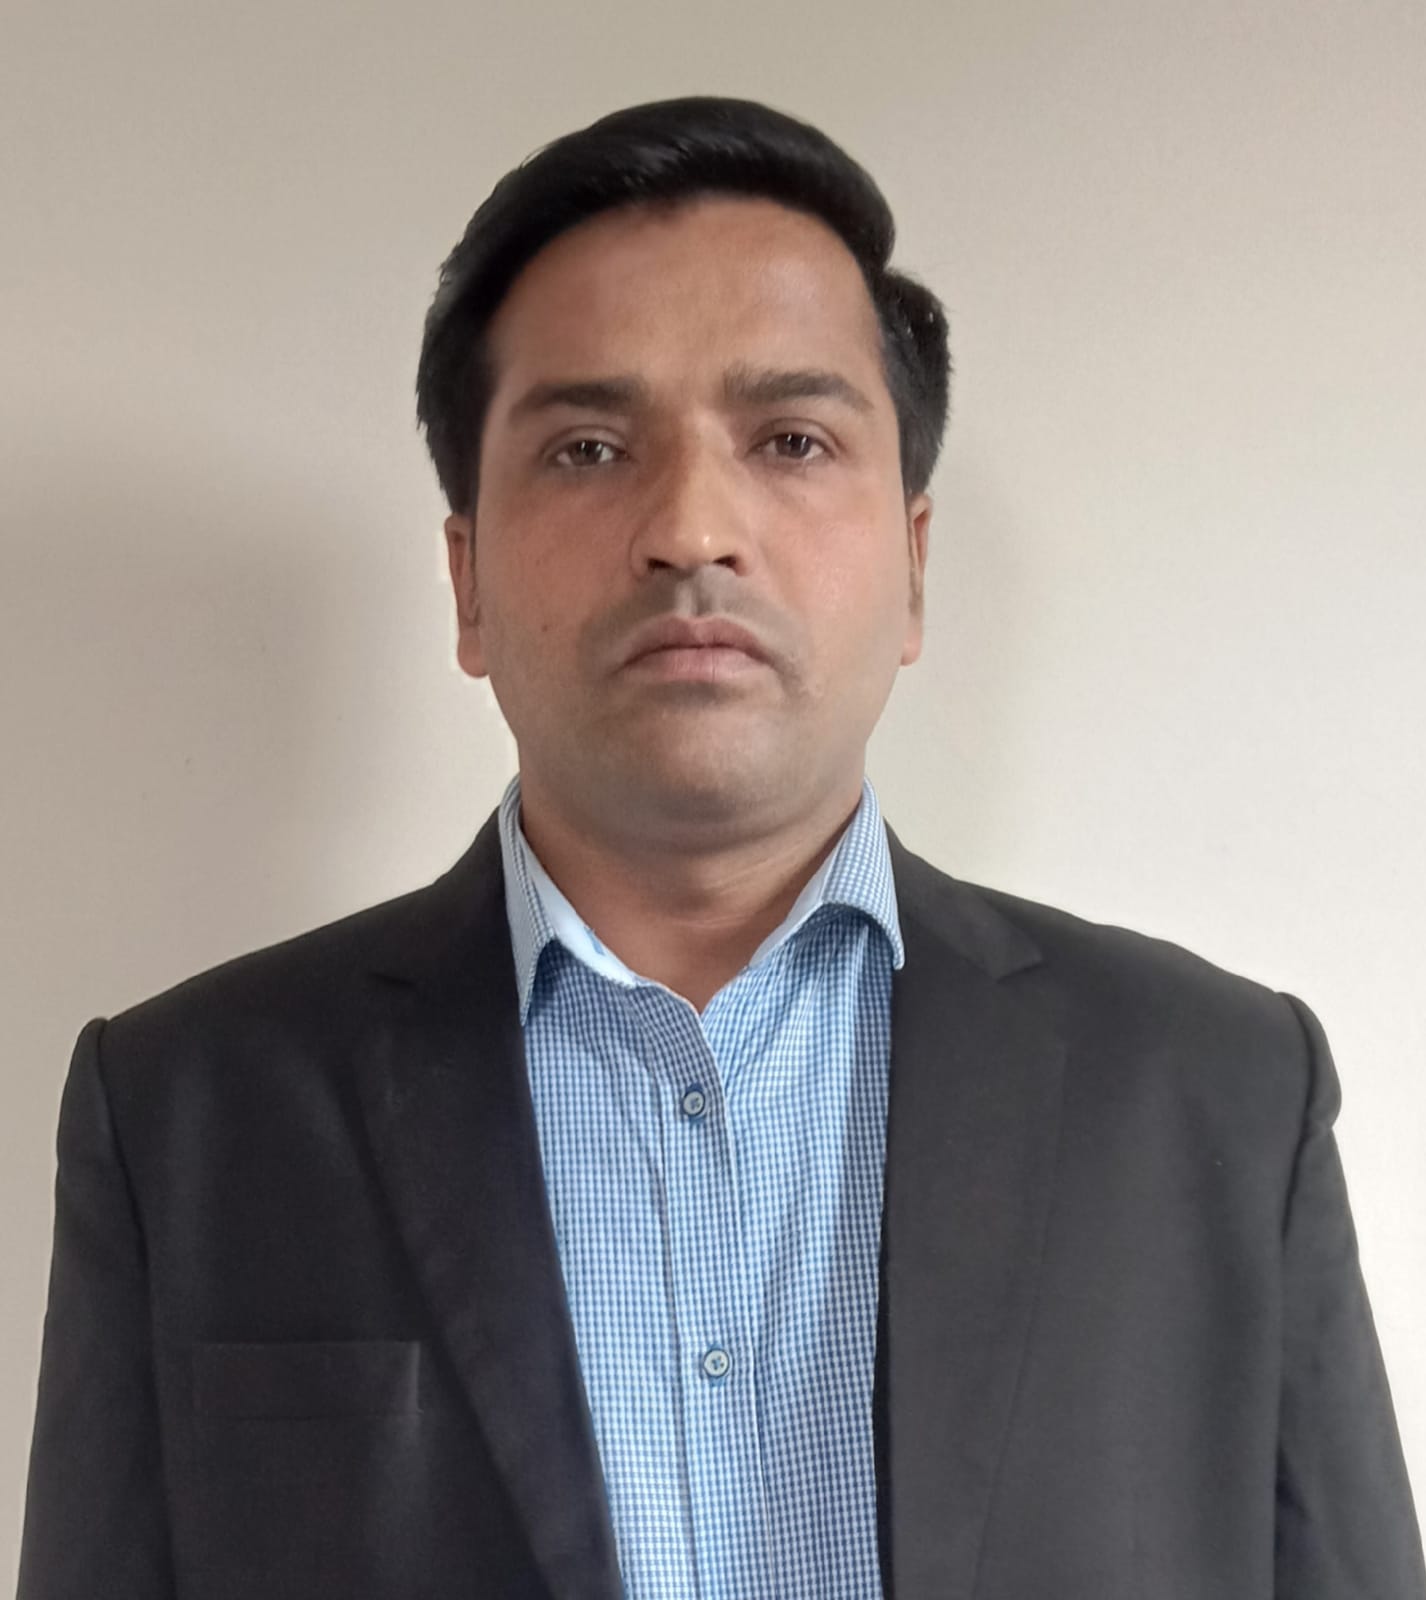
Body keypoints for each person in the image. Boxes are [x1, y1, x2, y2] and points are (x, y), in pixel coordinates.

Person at [16, 94, 1423, 1600]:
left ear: (914, 566)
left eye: (791, 439)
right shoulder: (188, 1115)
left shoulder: (1218, 1092)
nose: (691, 528)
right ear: (468, 582)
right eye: (588, 447)